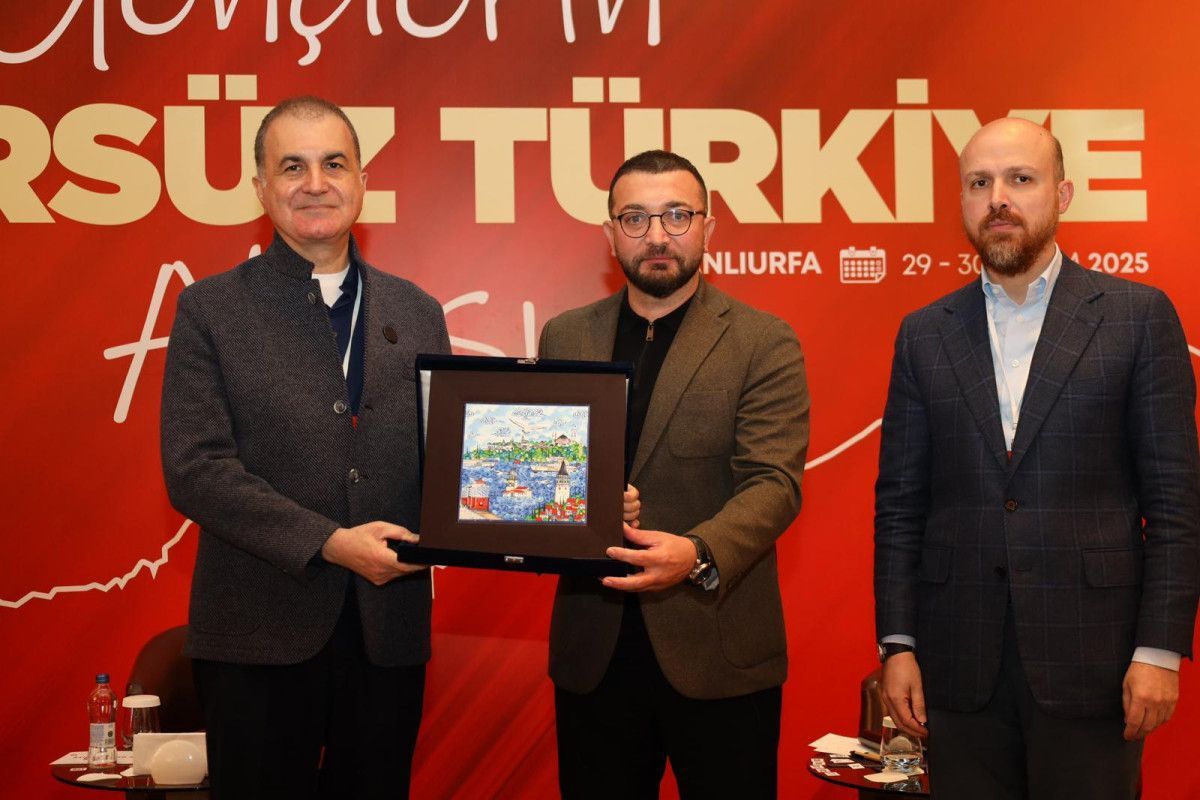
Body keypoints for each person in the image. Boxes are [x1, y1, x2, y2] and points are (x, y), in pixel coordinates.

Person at [874, 117, 1200, 799]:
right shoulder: (923, 334)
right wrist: (897, 644)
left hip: (1097, 663)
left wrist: (1159, 649)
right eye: (979, 183)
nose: (998, 198)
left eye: (1020, 178)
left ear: (1063, 194)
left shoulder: (1138, 317)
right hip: (957, 667)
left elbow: (1175, 503)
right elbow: (901, 506)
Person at [160, 96, 449, 799]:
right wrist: (330, 543)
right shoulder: (210, 310)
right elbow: (197, 469)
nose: (315, 183)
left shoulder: (418, 311)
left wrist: (562, 502)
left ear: (362, 182)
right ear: (261, 187)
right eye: (292, 166)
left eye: (333, 164)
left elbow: (448, 460)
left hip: (388, 633)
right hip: (256, 634)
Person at [538, 150, 810, 798]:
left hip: (717, 646)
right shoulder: (565, 336)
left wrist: (696, 553)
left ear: (709, 226)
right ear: (610, 234)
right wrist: (566, 505)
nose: (657, 235)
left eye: (677, 215)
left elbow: (773, 483)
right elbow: (548, 468)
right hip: (595, 649)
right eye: (635, 218)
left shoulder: (763, 341)